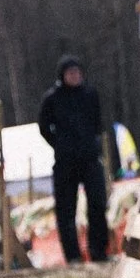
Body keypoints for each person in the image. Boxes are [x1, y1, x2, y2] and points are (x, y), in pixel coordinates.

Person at [37, 56, 111, 266]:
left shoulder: (90, 94)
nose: (75, 76)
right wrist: (60, 144)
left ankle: (98, 251)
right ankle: (73, 255)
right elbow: (43, 126)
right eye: (70, 73)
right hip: (65, 161)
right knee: (66, 209)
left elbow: (97, 122)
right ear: (63, 76)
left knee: (97, 203)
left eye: (77, 73)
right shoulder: (52, 98)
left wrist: (92, 142)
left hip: (89, 157)